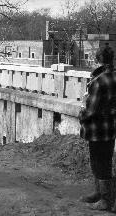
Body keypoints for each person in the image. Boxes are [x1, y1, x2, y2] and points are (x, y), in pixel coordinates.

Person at [79, 43, 116, 211]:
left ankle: (105, 200)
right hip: (110, 128)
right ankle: (100, 194)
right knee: (106, 161)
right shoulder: (114, 77)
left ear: (98, 60)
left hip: (97, 129)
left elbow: (91, 110)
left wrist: (81, 114)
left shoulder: (99, 81)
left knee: (98, 163)